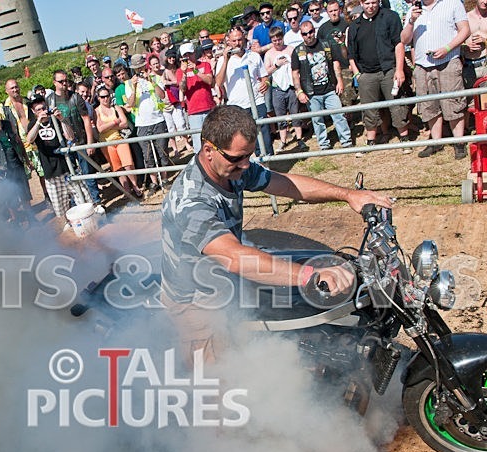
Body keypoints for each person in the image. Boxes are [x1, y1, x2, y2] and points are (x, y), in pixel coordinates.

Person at [160, 105, 392, 362]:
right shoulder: (191, 201)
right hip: (197, 300)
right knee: (219, 377)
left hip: (226, 280)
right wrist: (310, 275)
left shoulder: (233, 166)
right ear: (208, 150)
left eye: (250, 155)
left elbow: (283, 184)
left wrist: (348, 195)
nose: (246, 165)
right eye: (238, 158)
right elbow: (235, 258)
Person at [401, 0, 470, 159]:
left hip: (448, 61)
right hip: (422, 65)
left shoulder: (452, 3)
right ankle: (436, 142)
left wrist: (447, 48)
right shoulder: (414, 9)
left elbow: (465, 30)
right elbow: (404, 40)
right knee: (428, 105)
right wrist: (411, 21)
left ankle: (459, 142)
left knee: (453, 102)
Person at [347, 0, 412, 157]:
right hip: (366, 74)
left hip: (389, 69)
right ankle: (370, 141)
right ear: (361, 3)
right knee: (369, 110)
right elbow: (351, 53)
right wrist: (357, 74)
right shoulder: (355, 26)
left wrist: (399, 69)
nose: (371, 6)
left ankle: (405, 138)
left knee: (397, 106)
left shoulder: (390, 17)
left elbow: (399, 44)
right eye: (367, 3)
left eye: (374, 2)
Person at [26, 95, 90, 232]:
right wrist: (38, 122)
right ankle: (71, 225)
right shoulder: (33, 124)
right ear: (33, 112)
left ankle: (87, 221)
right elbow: (29, 140)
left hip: (66, 165)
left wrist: (61, 119)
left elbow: (70, 137)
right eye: (38, 109)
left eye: (44, 108)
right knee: (61, 206)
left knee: (82, 196)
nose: (43, 111)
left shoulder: (55, 119)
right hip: (50, 171)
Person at [292, 21, 353, 150]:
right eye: (305, 34)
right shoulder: (298, 51)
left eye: (311, 32)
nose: (309, 35)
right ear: (301, 35)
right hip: (311, 93)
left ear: (314, 31)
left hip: (330, 88)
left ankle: (346, 141)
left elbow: (336, 63)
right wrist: (299, 91)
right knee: (317, 120)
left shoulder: (326, 44)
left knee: (339, 115)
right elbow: (295, 73)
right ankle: (324, 144)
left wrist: (340, 81)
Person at [47, 70, 103, 210]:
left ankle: (96, 202)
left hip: (80, 141)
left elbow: (86, 120)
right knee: (69, 178)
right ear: (54, 83)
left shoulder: (76, 97)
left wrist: (90, 143)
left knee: (88, 174)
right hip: (63, 144)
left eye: (66, 81)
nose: (65, 84)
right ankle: (77, 206)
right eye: (61, 81)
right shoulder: (50, 101)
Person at [216, 25, 274, 155]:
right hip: (237, 106)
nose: (237, 43)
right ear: (228, 42)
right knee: (241, 141)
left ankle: (268, 168)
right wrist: (226, 59)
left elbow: (264, 76)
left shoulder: (253, 56)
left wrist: (266, 83)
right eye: (234, 40)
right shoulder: (222, 60)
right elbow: (218, 82)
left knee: (263, 138)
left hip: (257, 102)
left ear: (244, 39)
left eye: (240, 39)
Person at [0, 100, 33, 224]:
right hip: (3, 169)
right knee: (10, 197)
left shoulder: (8, 124)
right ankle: (16, 221)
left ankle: (31, 218)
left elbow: (19, 141)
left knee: (25, 192)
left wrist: (26, 160)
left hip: (17, 163)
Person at [125, 54, 170, 194]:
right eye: (136, 68)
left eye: (141, 66)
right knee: (147, 155)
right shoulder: (129, 83)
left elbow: (162, 95)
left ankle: (165, 179)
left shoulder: (155, 77)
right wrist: (134, 86)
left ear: (145, 65)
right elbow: (130, 104)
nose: (139, 70)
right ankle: (154, 182)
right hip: (142, 123)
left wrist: (151, 81)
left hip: (158, 120)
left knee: (162, 151)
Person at [4, 79, 48, 203]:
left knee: (42, 172)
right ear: (6, 91)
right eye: (11, 88)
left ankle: (47, 197)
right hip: (19, 146)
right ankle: (28, 206)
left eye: (16, 87)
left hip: (34, 142)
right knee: (24, 178)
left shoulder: (28, 102)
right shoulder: (4, 108)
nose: (15, 90)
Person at [94, 86, 142, 197]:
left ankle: (135, 186)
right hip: (106, 143)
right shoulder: (96, 111)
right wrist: (115, 122)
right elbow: (100, 128)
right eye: (102, 97)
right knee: (117, 168)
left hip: (120, 139)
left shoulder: (116, 108)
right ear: (98, 98)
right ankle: (127, 190)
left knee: (128, 164)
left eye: (107, 96)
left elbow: (124, 123)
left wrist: (108, 126)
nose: (105, 99)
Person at [265, 27, 305, 149]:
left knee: (295, 114)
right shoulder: (269, 54)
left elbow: (297, 67)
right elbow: (266, 72)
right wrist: (276, 65)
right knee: (280, 116)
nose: (277, 42)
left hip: (291, 87)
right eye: (274, 40)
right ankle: (283, 141)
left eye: (279, 39)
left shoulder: (291, 50)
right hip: (277, 89)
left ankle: (299, 139)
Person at [317, 1, 357, 107]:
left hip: (346, 65)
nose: (333, 13)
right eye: (331, 11)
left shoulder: (347, 24)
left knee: (347, 97)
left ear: (339, 10)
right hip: (330, 68)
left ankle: (349, 119)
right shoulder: (322, 29)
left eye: (335, 10)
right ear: (327, 12)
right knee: (335, 97)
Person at [178, 42, 216, 152]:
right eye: (185, 55)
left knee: (214, 139)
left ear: (195, 53)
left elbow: (210, 81)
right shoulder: (180, 71)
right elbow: (183, 89)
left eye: (190, 54)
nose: (188, 57)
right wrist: (184, 74)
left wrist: (195, 71)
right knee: (198, 143)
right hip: (194, 111)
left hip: (209, 107)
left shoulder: (205, 65)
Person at [159, 49, 192, 156]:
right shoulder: (165, 71)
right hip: (168, 102)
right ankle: (175, 149)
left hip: (178, 99)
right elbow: (163, 82)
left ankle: (186, 143)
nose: (172, 59)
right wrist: (174, 82)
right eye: (170, 58)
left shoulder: (178, 68)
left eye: (173, 57)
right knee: (171, 128)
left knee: (181, 123)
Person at [463, 0, 487, 88]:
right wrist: (466, 45)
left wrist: (485, 40)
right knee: (471, 100)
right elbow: (457, 37)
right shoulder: (466, 16)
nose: (485, 1)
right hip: (469, 64)